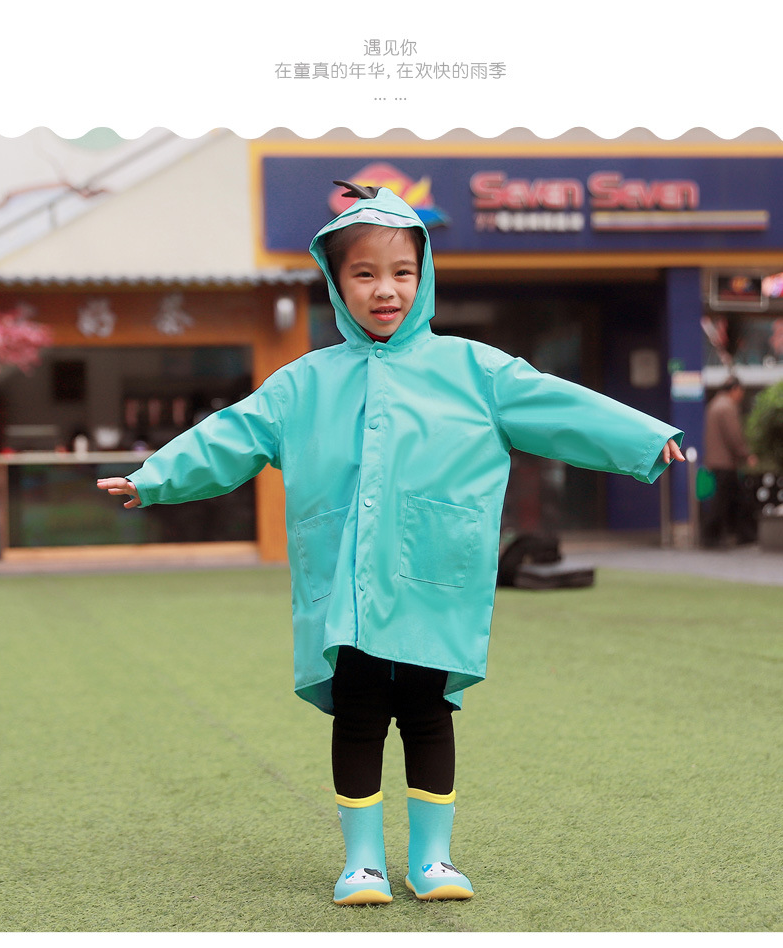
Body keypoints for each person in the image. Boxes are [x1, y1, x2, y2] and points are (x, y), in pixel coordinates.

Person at [98, 181, 685, 906]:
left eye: (402, 273)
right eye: (365, 274)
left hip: (435, 578)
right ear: (337, 284)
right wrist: (154, 476)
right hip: (345, 584)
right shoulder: (303, 383)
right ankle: (364, 862)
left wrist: (645, 438)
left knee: (429, 713)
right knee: (359, 713)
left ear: (425, 275)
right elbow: (233, 434)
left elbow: (557, 404)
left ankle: (433, 860)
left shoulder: (477, 371)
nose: (386, 291)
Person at [702, 376, 757, 548]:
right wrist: (746, 454)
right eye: (740, 392)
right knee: (725, 500)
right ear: (734, 390)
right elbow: (734, 436)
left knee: (730, 499)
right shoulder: (727, 407)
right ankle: (713, 536)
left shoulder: (714, 404)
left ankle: (738, 534)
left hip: (717, 461)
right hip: (725, 462)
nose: (740, 396)